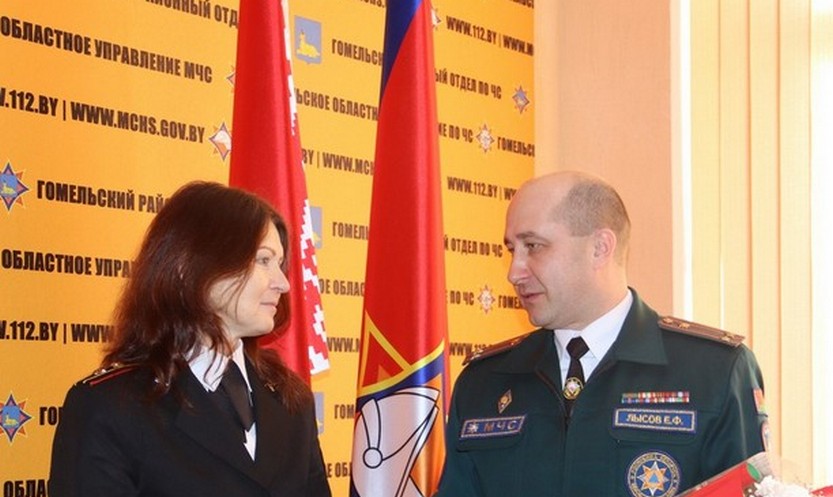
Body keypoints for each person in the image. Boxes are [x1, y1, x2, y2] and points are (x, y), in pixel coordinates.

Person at [435, 171, 768, 497]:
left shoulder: (715, 371)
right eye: (512, 249)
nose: (514, 272)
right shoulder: (485, 381)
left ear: (600, 248)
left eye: (533, 246)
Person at [49, 181, 331, 497]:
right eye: (263, 260)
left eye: (279, 264)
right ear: (188, 266)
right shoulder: (110, 407)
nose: (283, 283)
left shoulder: (291, 400)